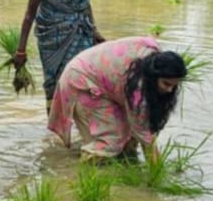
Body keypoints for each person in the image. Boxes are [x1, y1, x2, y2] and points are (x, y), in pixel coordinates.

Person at [47, 36, 186, 164]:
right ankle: (75, 169)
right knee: (110, 143)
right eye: (166, 84)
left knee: (127, 137)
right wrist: (157, 171)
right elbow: (145, 136)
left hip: (97, 72)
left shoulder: (155, 56)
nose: (170, 90)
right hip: (82, 80)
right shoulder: (138, 88)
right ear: (154, 76)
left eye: (175, 85)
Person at [13, 0, 107, 112]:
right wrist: (21, 49)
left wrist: (94, 31)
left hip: (80, 34)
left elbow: (85, 4)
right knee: (53, 84)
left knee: (80, 79)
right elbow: (29, 14)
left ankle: (78, 123)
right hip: (51, 38)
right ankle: (54, 127)